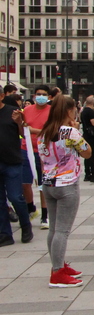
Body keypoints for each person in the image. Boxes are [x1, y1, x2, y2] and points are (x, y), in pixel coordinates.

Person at [38, 95, 92, 287]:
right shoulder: (69, 132)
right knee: (62, 230)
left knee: (53, 228)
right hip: (67, 183)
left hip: (48, 183)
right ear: (70, 111)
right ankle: (57, 272)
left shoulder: (44, 132)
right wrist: (77, 132)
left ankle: (58, 264)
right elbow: (87, 151)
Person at [0, 89, 31, 246]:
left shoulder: (13, 112)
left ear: (2, 96)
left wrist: (19, 122)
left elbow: (24, 133)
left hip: (11, 160)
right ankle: (5, 234)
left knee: (15, 197)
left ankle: (26, 226)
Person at [21, 85, 53, 229]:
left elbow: (52, 130)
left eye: (44, 94)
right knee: (24, 182)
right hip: (25, 149)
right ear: (34, 96)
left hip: (44, 150)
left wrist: (34, 130)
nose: (41, 97)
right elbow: (22, 128)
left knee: (43, 183)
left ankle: (45, 215)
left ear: (48, 97)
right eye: (38, 94)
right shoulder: (27, 110)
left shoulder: (51, 111)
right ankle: (30, 208)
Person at [79, 96, 94, 183]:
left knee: (87, 155)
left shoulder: (83, 111)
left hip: (86, 134)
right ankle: (93, 175)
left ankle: (87, 174)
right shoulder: (91, 112)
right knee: (93, 155)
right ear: (93, 103)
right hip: (92, 136)